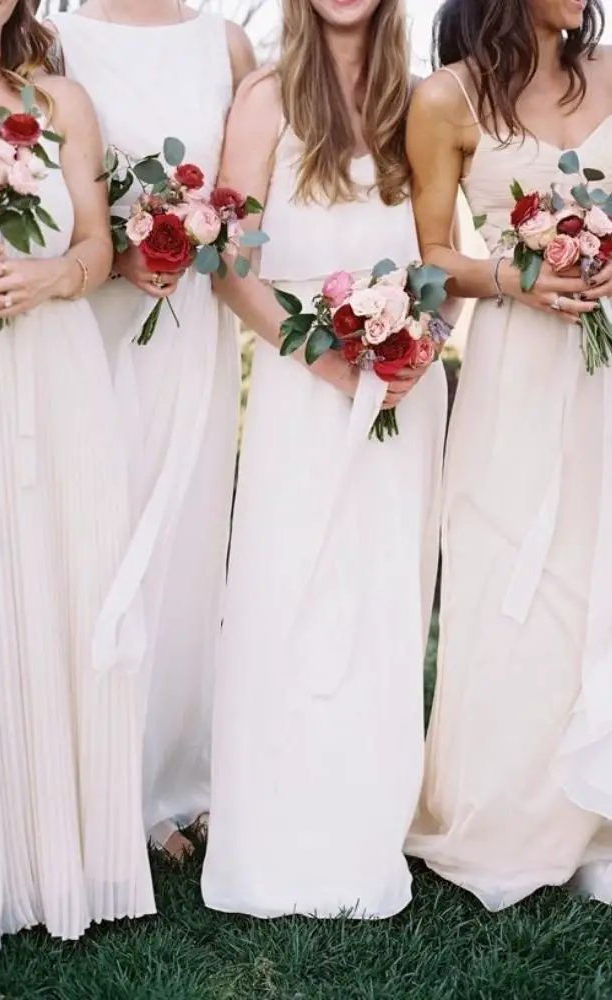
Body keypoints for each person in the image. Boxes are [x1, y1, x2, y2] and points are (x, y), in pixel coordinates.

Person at [201, 0, 448, 919]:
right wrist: (327, 361)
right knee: (286, 592)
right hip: (303, 389)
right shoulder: (267, 96)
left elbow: (434, 258)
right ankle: (274, 842)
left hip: (398, 392)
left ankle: (362, 829)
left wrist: (420, 345)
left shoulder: (413, 102)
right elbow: (232, 268)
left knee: (381, 600)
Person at [0, 0, 154, 962]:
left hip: (59, 371)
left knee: (65, 581)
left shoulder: (62, 99)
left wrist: (50, 280)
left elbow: (100, 250)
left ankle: (62, 855)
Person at [405, 0, 612, 909]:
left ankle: (595, 810)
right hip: (514, 367)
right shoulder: (445, 100)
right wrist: (515, 277)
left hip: (602, 361)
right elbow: (431, 257)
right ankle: (510, 816)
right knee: (509, 575)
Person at [47, 0, 255, 858]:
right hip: (96, 321)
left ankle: (178, 776)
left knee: (185, 542)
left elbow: (248, 195)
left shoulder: (228, 44)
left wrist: (200, 235)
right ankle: (97, 778)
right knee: (96, 538)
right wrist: (122, 252)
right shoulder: (57, 40)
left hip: (192, 323)